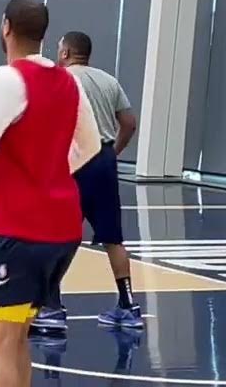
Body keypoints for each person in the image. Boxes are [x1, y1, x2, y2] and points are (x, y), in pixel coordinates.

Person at [0, 0, 100, 387]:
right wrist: (49, 172)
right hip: (62, 231)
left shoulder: (6, 79)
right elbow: (90, 146)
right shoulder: (68, 81)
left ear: (6, 27)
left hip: (19, 231)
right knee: (16, 338)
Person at [33, 30, 142, 329]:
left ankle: (51, 308)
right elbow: (129, 123)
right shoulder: (109, 81)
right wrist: (112, 152)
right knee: (113, 238)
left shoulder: (58, 79)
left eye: (59, 48)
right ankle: (128, 306)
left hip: (72, 160)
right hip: (103, 160)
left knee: (56, 234)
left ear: (66, 53)